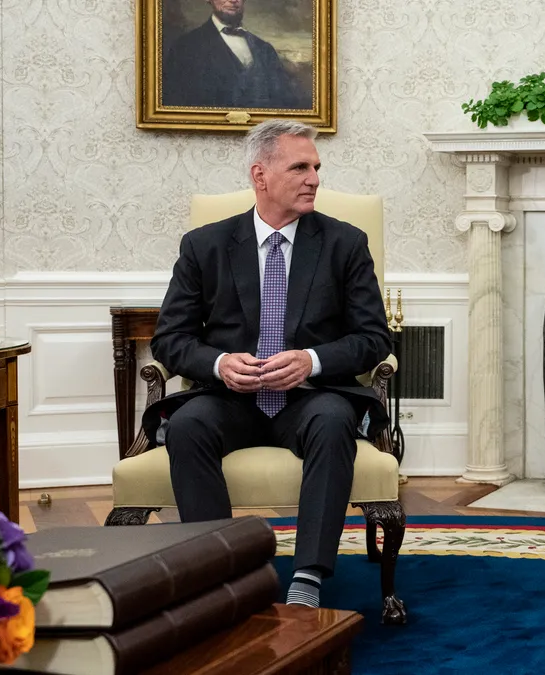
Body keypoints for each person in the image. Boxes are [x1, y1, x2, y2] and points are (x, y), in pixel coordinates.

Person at [142, 119, 391, 608]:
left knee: (334, 419)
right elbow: (170, 340)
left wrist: (312, 360)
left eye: (317, 167)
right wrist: (218, 364)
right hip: (229, 399)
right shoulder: (205, 245)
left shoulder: (345, 243)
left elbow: (373, 337)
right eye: (300, 166)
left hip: (310, 399)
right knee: (188, 424)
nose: (315, 178)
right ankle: (220, 571)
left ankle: (309, 578)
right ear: (261, 175)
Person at [162, 0, 306, 109]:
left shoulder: (265, 49)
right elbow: (174, 101)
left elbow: (285, 101)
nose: (233, 0)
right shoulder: (185, 46)